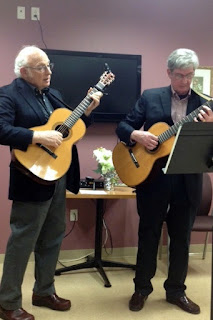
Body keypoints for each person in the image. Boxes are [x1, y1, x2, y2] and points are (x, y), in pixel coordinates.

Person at [0, 45, 103, 320]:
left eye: (49, 66)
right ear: (24, 72)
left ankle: (43, 291)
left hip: (58, 174)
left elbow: (72, 126)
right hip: (29, 176)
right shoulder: (8, 95)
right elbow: (1, 128)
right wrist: (37, 137)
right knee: (23, 240)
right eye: (41, 67)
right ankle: (8, 303)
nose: (48, 72)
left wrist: (89, 111)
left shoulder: (53, 94)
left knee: (53, 236)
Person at [115, 48, 211, 315]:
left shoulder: (205, 104)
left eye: (190, 75)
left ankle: (176, 291)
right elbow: (123, 127)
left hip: (188, 180)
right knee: (148, 234)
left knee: (181, 238)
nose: (185, 81)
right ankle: (141, 289)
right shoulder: (150, 97)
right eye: (179, 75)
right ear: (168, 72)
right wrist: (138, 135)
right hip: (152, 179)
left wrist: (210, 126)